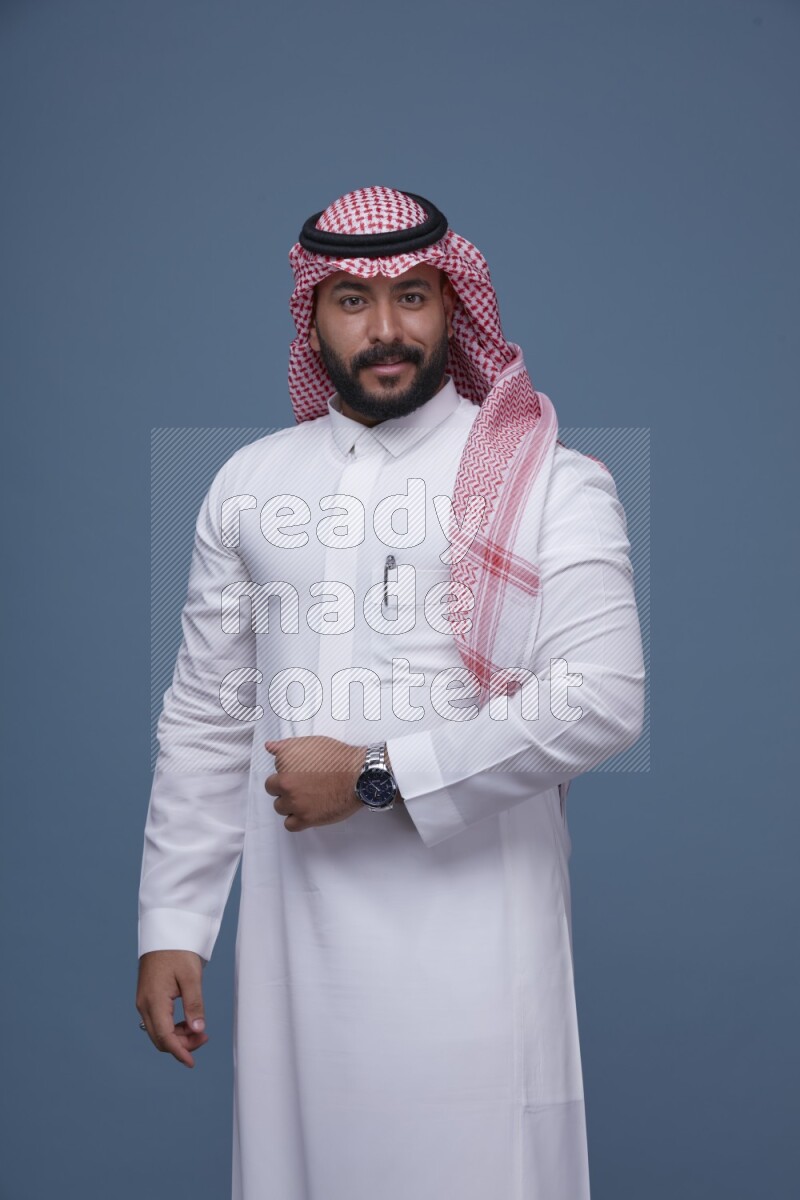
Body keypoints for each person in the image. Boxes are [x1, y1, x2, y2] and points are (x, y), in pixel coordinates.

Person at [136, 186, 645, 1200]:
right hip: (299, 949)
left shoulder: (548, 480)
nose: (385, 331)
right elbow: (207, 713)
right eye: (351, 303)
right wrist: (172, 923)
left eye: (412, 297)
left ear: (452, 304)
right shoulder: (248, 483)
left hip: (477, 944)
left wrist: (374, 776)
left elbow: (600, 700)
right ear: (310, 317)